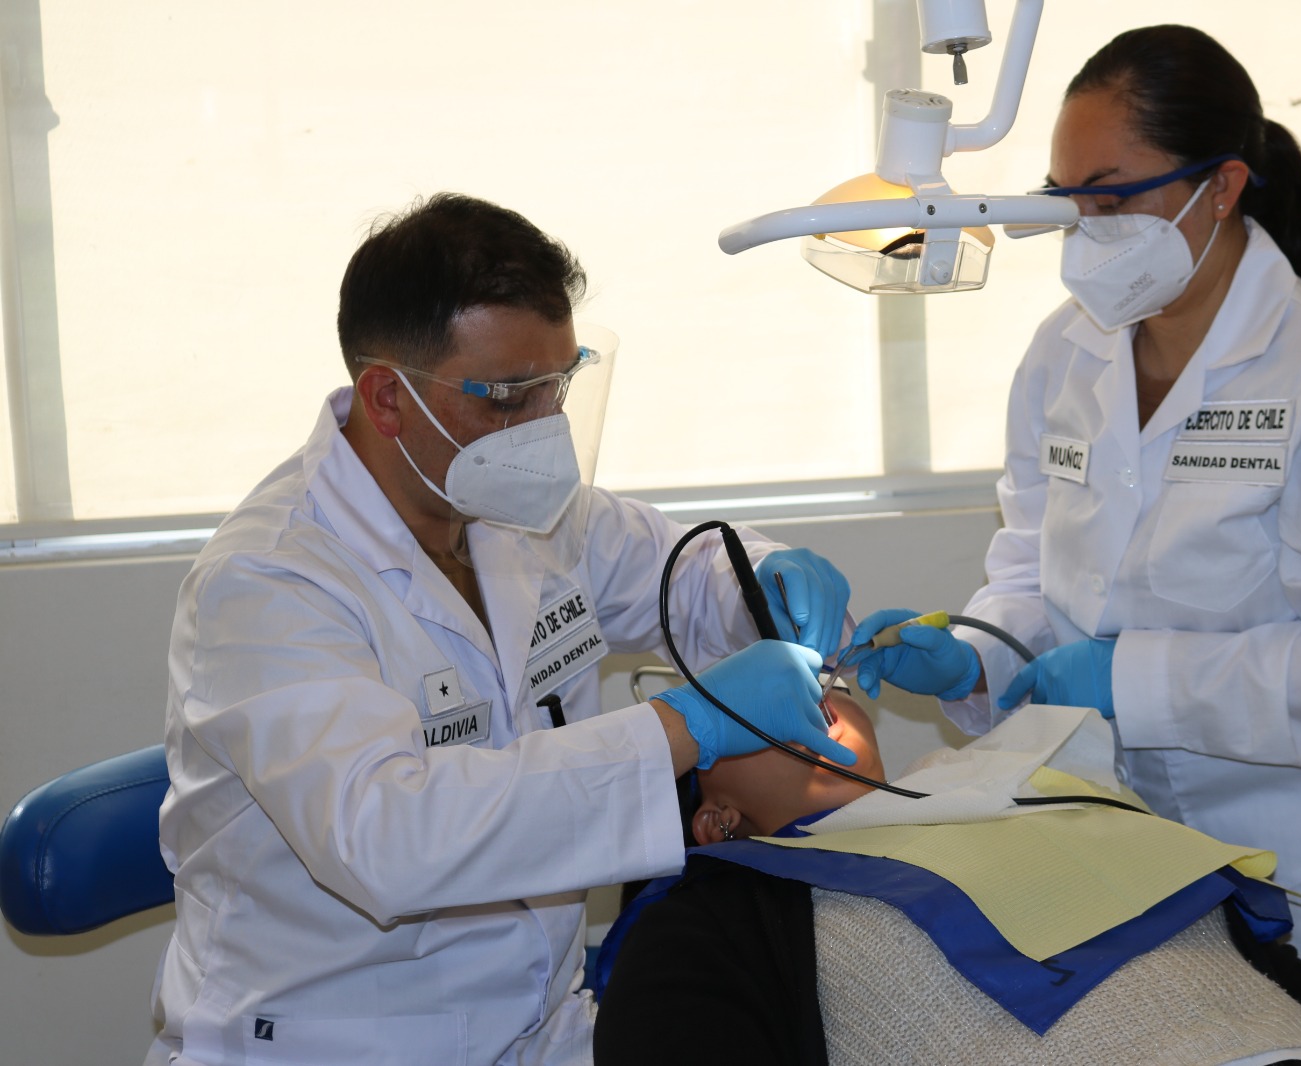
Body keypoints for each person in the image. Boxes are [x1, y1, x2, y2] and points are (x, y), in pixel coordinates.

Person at [145, 193, 858, 1066]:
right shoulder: (269, 583)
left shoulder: (518, 511)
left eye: (560, 383)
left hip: (539, 1028)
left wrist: (761, 587)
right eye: (510, 396)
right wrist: (685, 725)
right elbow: (391, 839)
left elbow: (685, 570)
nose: (545, 429)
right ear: (388, 397)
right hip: (338, 1042)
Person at [847, 24, 1301, 1010]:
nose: (1087, 226)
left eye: (1114, 195)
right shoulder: (1063, 356)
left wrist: (1129, 677)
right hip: (1133, 859)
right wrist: (977, 653)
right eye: (1067, 200)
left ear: (1220, 187)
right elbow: (1036, 574)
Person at [592, 696, 1301, 1065]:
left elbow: (1269, 977)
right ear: (716, 820)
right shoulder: (724, 906)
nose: (793, 694)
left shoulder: (1046, 804)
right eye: (734, 710)